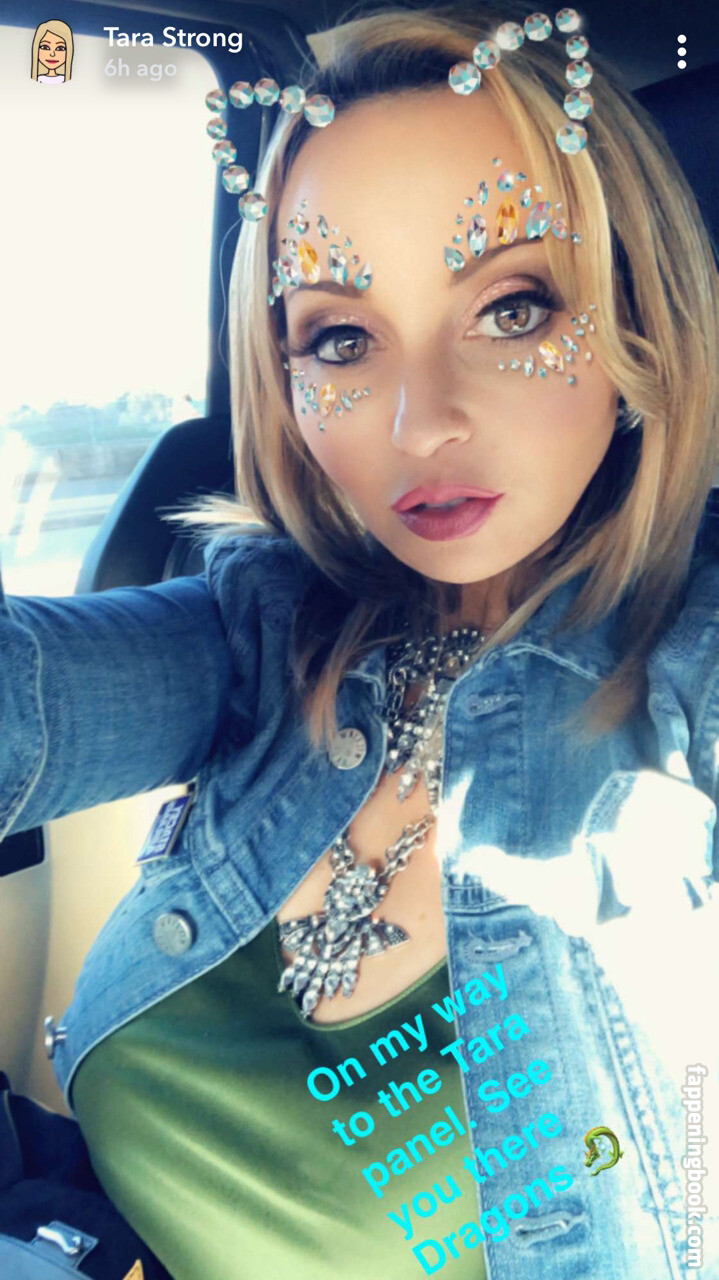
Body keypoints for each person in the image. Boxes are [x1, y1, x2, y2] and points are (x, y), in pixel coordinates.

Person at [2, 4, 718, 1278]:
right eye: (340, 338)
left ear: (638, 318)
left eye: (511, 306)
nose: (416, 421)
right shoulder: (265, 630)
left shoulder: (688, 678)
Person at [31, 19, 74, 83]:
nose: (52, 54)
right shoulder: (38, 79)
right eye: (45, 47)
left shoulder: (66, 80)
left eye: (60, 48)